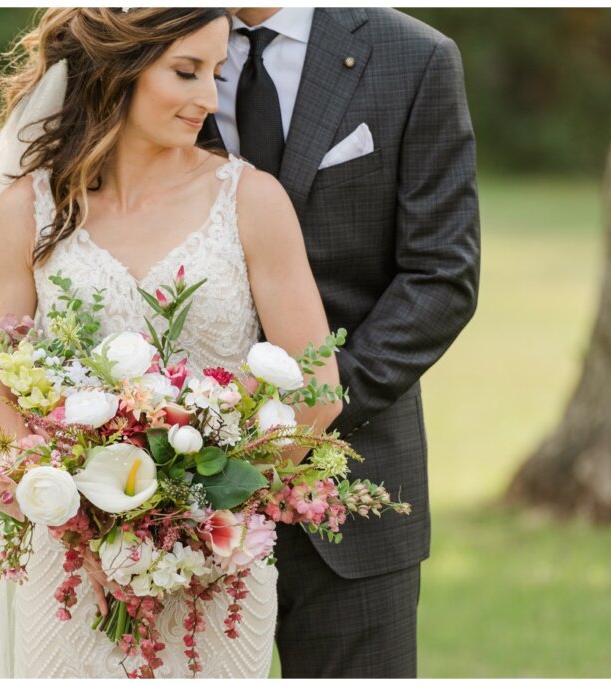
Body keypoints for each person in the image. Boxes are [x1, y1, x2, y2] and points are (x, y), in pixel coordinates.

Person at [0, 8, 341, 678]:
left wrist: (202, 509)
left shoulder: (251, 201)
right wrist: (85, 520)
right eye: (187, 71)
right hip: (72, 567)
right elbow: (1, 401)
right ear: (120, 66)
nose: (210, 98)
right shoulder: (25, 210)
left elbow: (319, 393)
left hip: (218, 568)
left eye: (217, 72)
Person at [200, 7, 481, 678]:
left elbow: (441, 276)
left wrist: (309, 414)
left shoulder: (414, 57)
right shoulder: (157, 39)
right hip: (178, 487)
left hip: (357, 477)